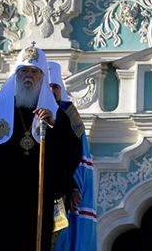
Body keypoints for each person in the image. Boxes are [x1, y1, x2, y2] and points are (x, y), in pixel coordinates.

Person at [0, 44, 82, 251]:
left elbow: (71, 152)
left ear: (42, 77)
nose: (28, 76)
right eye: (24, 71)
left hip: (36, 204)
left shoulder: (56, 115)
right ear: (16, 75)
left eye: (34, 71)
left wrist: (55, 125)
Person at [49, 62, 98, 251]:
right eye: (48, 86)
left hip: (61, 188)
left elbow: (74, 155)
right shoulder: (27, 113)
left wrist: (74, 187)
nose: (51, 91)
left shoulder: (69, 115)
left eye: (55, 87)